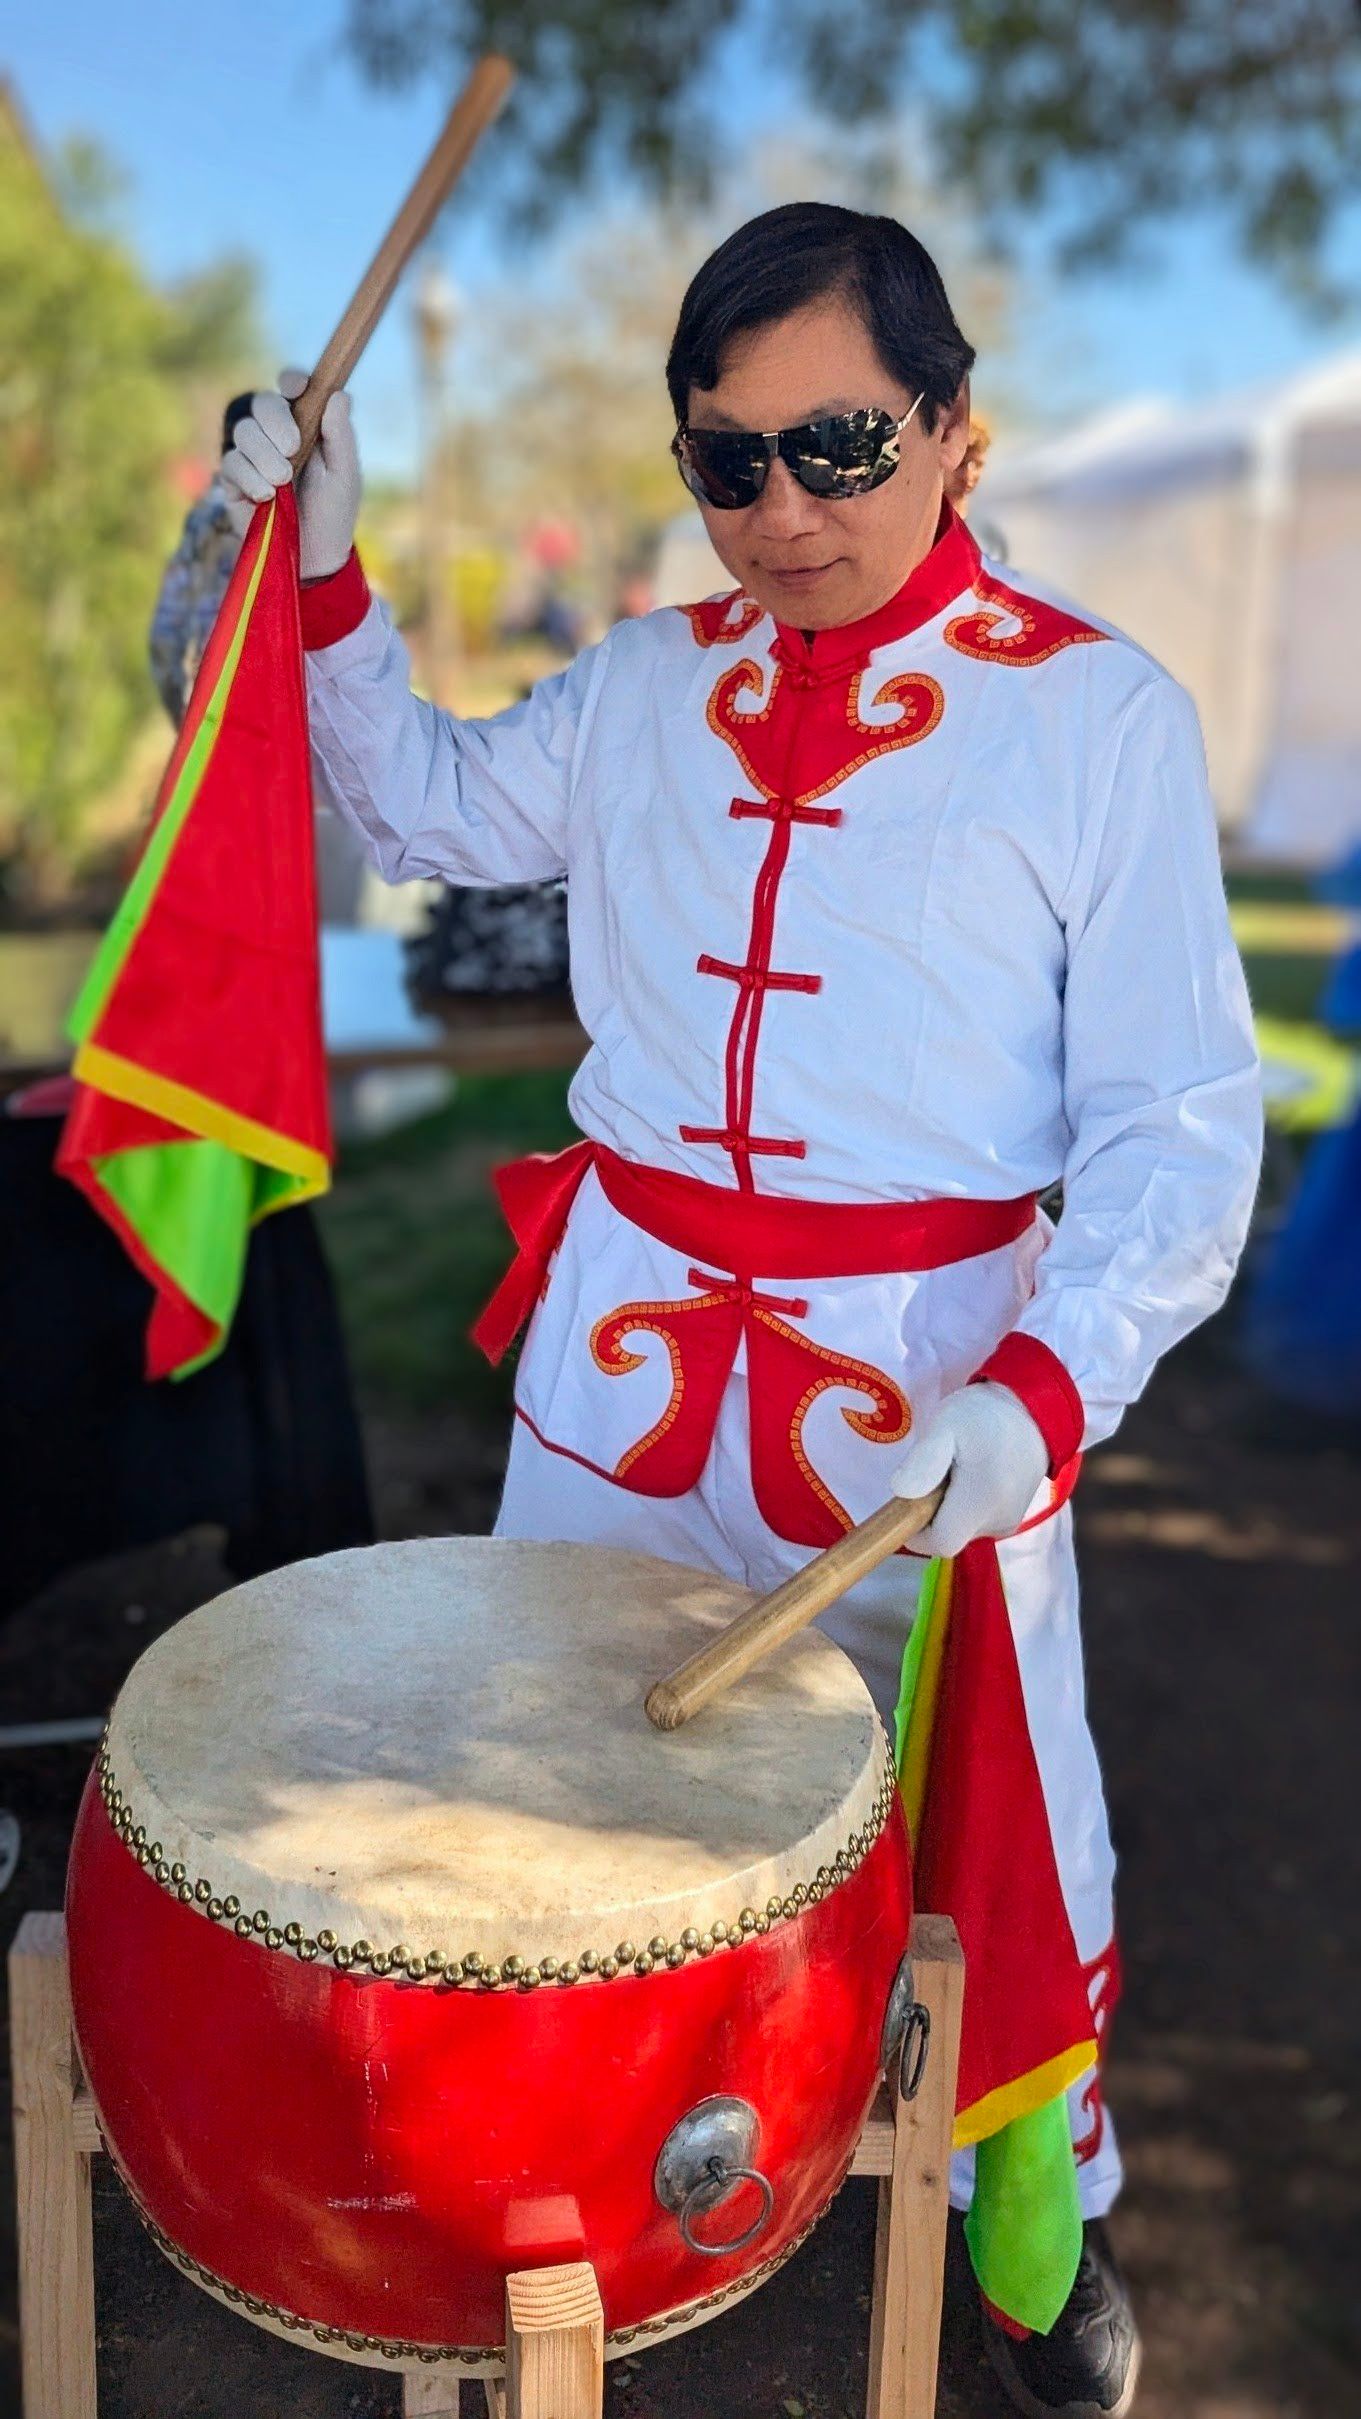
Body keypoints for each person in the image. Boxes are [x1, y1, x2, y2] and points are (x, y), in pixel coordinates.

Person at [222, 204, 1261, 2418]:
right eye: (727, 460)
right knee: (554, 1794)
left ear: (955, 428)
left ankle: (1027, 2222)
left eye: (839, 445)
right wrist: (321, 570)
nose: (782, 509)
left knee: (985, 1829)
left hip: (923, 1392)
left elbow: (1178, 1122)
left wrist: (1045, 1381)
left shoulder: (1096, 716)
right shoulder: (635, 683)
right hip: (618, 1367)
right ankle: (566, 2186)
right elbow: (418, 806)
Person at [148, 394, 255, 726]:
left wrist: (182, 717)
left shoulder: (203, 518)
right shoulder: (289, 515)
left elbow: (167, 631)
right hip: (283, 703)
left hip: (214, 702)